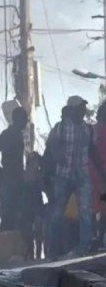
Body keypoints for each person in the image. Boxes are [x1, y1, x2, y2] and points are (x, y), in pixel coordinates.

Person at [48, 96, 106, 259]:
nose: (82, 111)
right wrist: (56, 155)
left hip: (82, 176)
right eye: (79, 108)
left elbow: (93, 151)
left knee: (85, 212)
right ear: (71, 110)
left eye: (83, 107)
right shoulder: (60, 127)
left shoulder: (88, 129)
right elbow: (51, 144)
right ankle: (53, 250)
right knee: (58, 212)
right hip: (63, 176)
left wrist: (102, 172)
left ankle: (83, 248)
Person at [0, 107, 28, 231]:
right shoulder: (8, 134)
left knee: (17, 216)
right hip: (9, 181)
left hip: (16, 180)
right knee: (8, 216)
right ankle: (6, 245)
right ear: (17, 119)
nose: (26, 122)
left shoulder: (17, 135)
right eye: (24, 119)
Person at [90, 102, 106, 247]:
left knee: (95, 209)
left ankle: (95, 239)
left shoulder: (92, 130)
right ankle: (101, 239)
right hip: (102, 176)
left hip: (92, 175)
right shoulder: (101, 131)